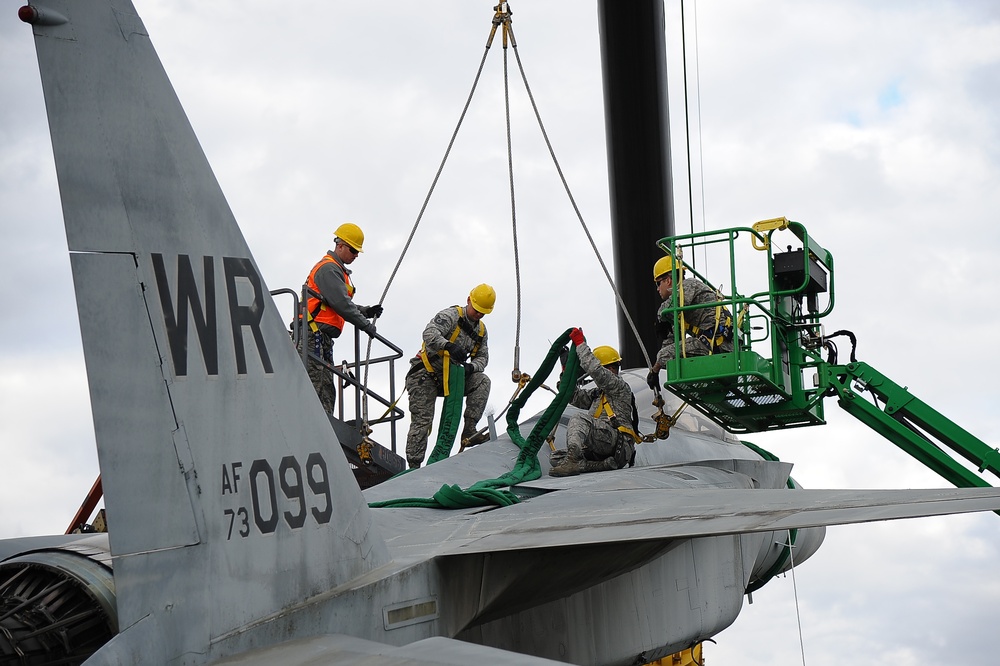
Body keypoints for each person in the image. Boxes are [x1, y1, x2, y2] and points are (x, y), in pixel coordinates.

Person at [404, 284, 495, 469]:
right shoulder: (450, 316)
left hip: (453, 378)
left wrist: (471, 367)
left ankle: (469, 430)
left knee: (482, 381)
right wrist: (448, 346)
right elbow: (429, 333)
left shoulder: (481, 331)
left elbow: (483, 357)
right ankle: (414, 466)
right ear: (469, 300)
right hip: (426, 374)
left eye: (483, 313)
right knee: (423, 420)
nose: (478, 315)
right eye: (477, 310)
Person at [301, 222, 382, 415]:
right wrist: (365, 325)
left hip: (322, 340)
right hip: (312, 337)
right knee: (315, 389)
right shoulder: (328, 269)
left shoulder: (337, 270)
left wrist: (366, 311)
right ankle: (314, 429)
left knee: (326, 390)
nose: (355, 256)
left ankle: (323, 432)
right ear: (340, 245)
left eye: (357, 252)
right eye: (353, 250)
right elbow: (341, 304)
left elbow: (339, 302)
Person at [550, 330, 639, 477]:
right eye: (610, 367)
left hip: (617, 443)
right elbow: (571, 396)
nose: (612, 370)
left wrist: (580, 344)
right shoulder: (598, 394)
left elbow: (594, 369)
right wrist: (566, 370)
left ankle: (573, 462)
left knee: (578, 418)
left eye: (613, 367)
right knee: (555, 458)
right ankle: (600, 465)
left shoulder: (620, 387)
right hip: (602, 447)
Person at [646, 254, 733, 391]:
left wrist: (660, 316)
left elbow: (675, 303)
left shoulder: (689, 285)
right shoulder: (678, 313)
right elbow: (670, 344)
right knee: (664, 354)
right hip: (714, 344)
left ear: (668, 280)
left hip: (719, 343)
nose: (657, 289)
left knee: (663, 355)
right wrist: (658, 368)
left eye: (658, 283)